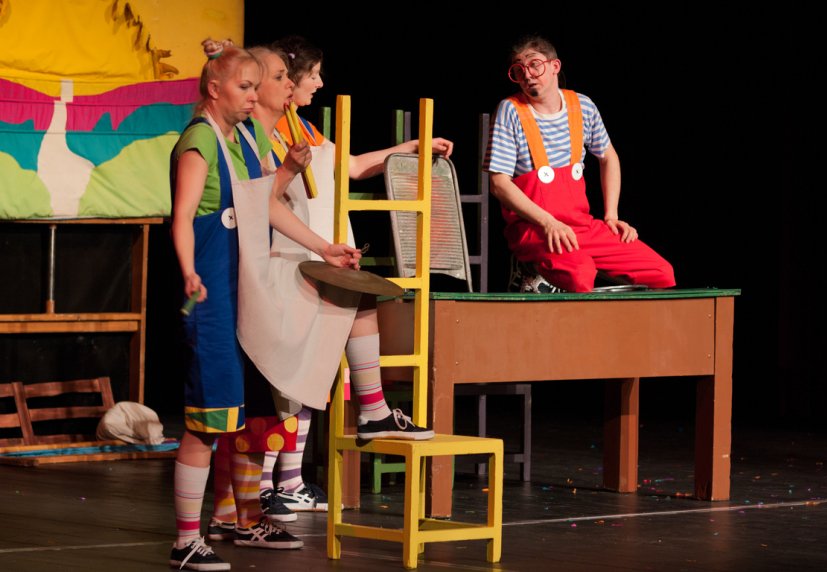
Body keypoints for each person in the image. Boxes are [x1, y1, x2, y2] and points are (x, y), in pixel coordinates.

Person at [205, 43, 445, 539]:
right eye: (300, 76)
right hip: (278, 260)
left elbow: (348, 166)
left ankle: (291, 477)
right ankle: (250, 497)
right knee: (277, 383)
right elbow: (258, 200)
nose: (310, 84)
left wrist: (407, 149)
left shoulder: (300, 129)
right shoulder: (249, 136)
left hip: (311, 252)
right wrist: (287, 174)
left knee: (324, 351)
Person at [169, 39, 361, 570]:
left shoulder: (245, 139)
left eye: (258, 87)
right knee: (208, 420)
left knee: (254, 415)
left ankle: (247, 519)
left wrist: (324, 247)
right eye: (245, 87)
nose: (254, 97)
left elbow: (265, 205)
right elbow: (183, 215)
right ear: (214, 89)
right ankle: (185, 540)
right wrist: (188, 271)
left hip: (248, 290)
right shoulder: (200, 140)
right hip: (212, 294)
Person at [483, 35, 675, 293]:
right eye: (519, 70)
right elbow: (498, 184)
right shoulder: (511, 110)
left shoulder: (582, 106)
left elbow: (608, 157)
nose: (527, 75)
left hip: (580, 226)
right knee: (579, 274)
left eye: (534, 65)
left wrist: (611, 216)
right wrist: (548, 222)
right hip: (535, 228)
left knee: (660, 273)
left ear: (555, 66)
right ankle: (530, 269)